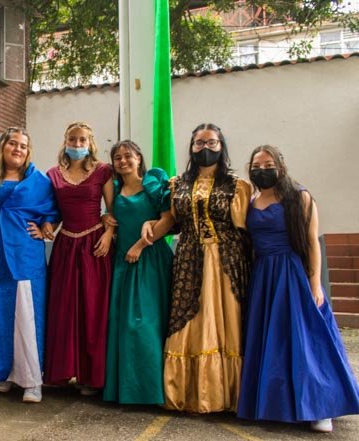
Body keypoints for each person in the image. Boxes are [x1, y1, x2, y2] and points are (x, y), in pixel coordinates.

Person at [237, 145, 359, 432]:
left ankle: (321, 408)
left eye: (268, 164)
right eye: (257, 165)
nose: (262, 170)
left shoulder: (299, 197)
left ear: (281, 166)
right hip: (263, 275)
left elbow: (312, 243)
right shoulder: (252, 200)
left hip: (292, 273)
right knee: (273, 342)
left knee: (305, 341)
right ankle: (276, 405)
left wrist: (315, 284)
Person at [159, 123, 252, 413]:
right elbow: (170, 222)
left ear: (221, 146)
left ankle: (228, 393)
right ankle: (186, 393)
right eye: (199, 143)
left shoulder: (238, 186)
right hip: (189, 257)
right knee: (186, 319)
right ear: (191, 147)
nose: (205, 148)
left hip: (227, 260)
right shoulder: (176, 184)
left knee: (226, 321)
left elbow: (248, 230)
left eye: (211, 143)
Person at [0, 127, 59, 403]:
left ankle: (32, 380)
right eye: (13, 143)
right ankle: (2, 372)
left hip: (24, 256)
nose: (18, 149)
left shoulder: (39, 182)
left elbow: (53, 211)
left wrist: (46, 227)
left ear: (28, 152)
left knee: (27, 316)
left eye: (23, 146)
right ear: (2, 146)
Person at [42, 122, 114, 395]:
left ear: (90, 142)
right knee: (63, 309)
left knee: (92, 310)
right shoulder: (53, 174)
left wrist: (108, 235)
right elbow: (54, 212)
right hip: (65, 246)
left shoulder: (103, 171)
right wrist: (48, 225)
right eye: (72, 139)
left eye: (82, 139)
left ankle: (90, 377)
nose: (77, 143)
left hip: (95, 245)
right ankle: (61, 373)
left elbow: (113, 209)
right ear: (66, 141)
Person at [103, 140, 173, 405]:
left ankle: (151, 391)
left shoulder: (152, 183)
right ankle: (127, 390)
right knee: (123, 325)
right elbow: (111, 217)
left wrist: (141, 245)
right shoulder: (114, 189)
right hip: (124, 263)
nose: (123, 161)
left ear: (139, 158)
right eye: (117, 157)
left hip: (150, 261)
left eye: (128, 156)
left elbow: (169, 220)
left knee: (146, 325)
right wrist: (104, 220)